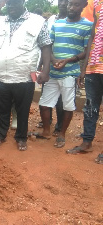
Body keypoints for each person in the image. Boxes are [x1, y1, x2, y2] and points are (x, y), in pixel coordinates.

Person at [0, 0, 52, 151]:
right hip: (0, 76)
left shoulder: (37, 21)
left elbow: (45, 45)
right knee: (2, 109)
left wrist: (46, 70)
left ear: (23, 2)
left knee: (23, 110)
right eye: (8, 3)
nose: (11, 6)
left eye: (15, 2)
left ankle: (21, 137)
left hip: (25, 76)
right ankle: (1, 135)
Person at [38, 0, 92, 148]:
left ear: (83, 6)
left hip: (70, 73)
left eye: (75, 4)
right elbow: (48, 45)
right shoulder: (57, 23)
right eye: (69, 4)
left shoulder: (87, 25)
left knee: (68, 106)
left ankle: (61, 134)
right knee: (44, 104)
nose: (71, 7)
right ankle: (46, 131)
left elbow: (86, 51)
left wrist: (68, 60)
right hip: (53, 72)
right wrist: (54, 60)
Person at [67, 0, 103, 165]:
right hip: (94, 66)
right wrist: (84, 67)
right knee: (90, 106)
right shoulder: (95, 3)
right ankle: (87, 141)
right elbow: (93, 36)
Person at [37, 0, 68, 136]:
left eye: (66, 1)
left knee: (61, 100)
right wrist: (44, 62)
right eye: (61, 1)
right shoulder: (50, 20)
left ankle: (59, 126)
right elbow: (45, 43)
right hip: (49, 63)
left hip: (65, 64)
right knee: (46, 96)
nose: (63, 4)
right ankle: (47, 122)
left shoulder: (72, 21)